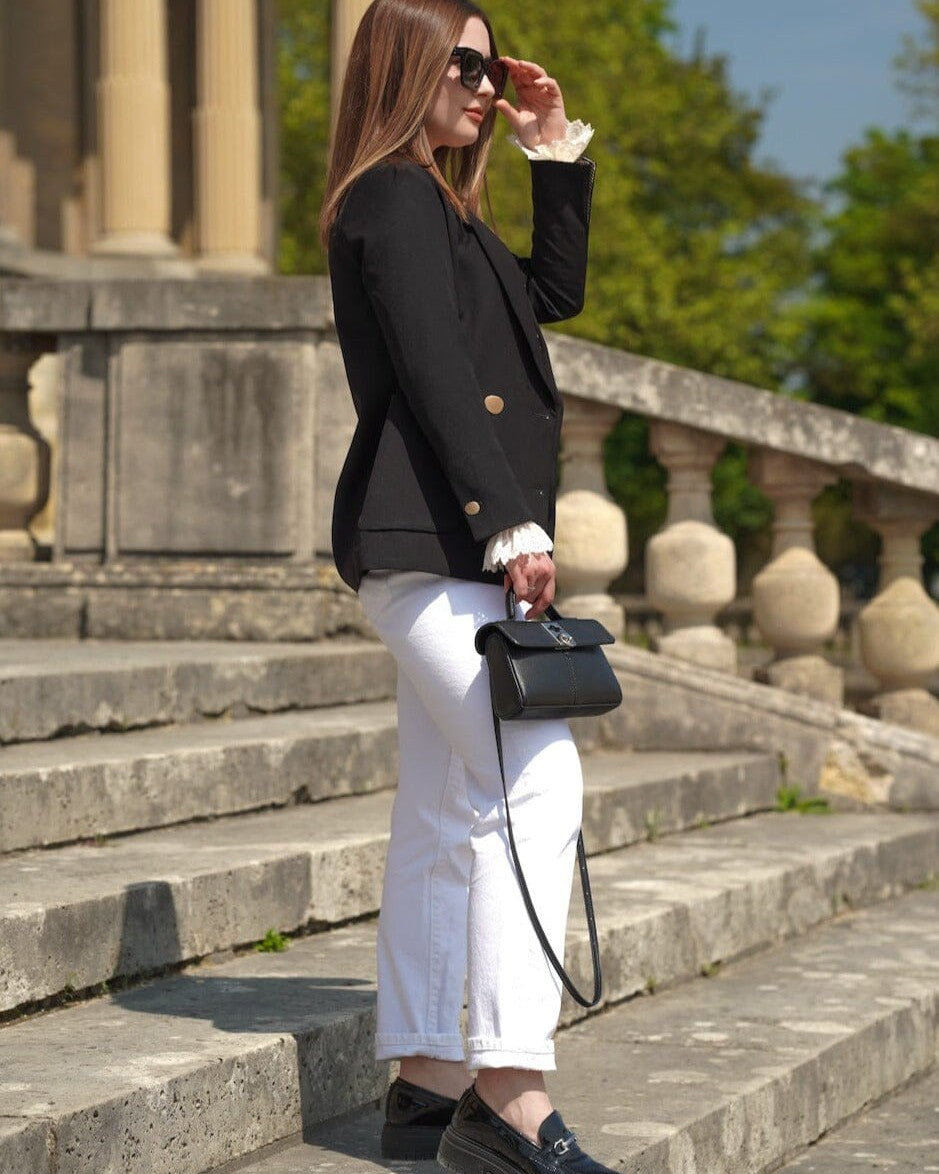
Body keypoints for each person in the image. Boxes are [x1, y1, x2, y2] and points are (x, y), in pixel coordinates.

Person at [321, 2, 613, 1172]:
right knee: (538, 783)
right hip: (433, 546)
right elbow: (440, 375)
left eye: (493, 67)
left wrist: (550, 149)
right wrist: (511, 523)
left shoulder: (442, 205)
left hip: (454, 556)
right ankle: (510, 1092)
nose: (486, 83)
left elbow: (552, 296)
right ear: (402, 62)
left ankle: (426, 1088)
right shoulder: (390, 193)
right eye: (466, 63)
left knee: (449, 814)